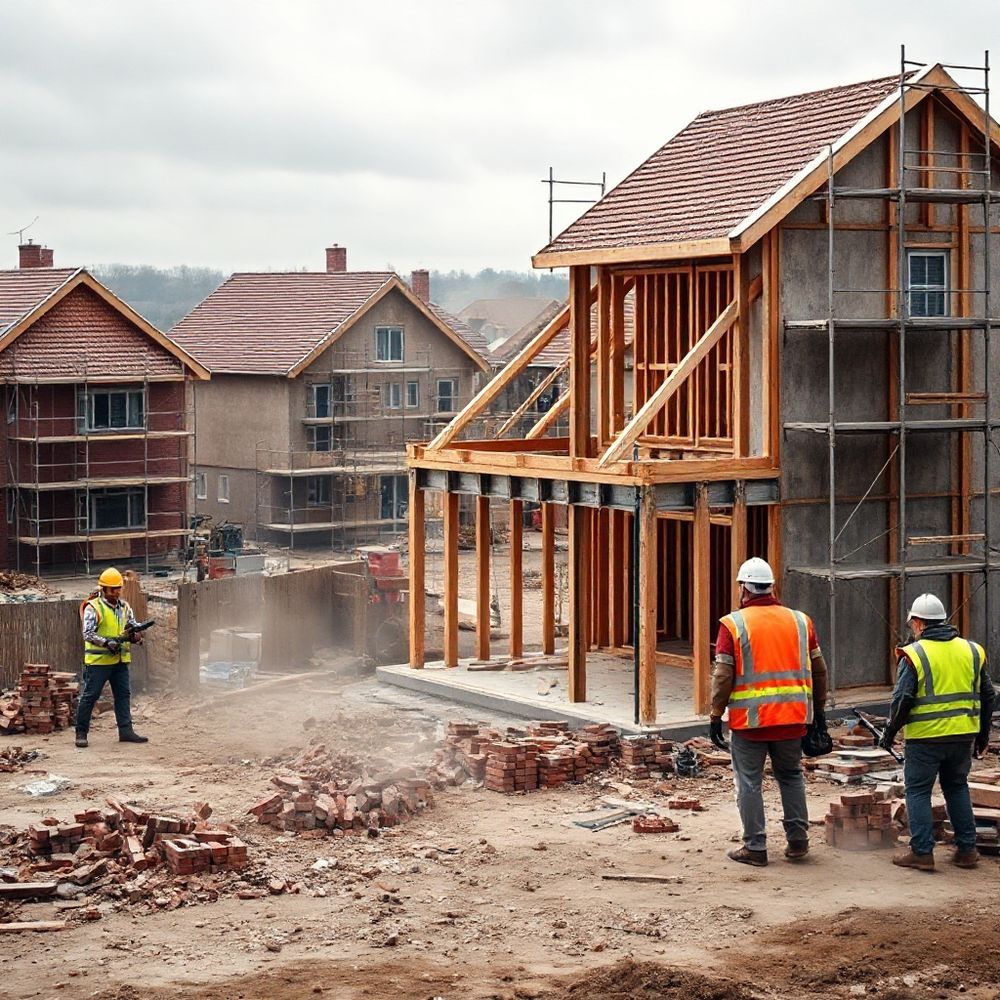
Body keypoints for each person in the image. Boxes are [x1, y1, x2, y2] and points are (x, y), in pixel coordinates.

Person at [709, 557, 828, 866]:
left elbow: (723, 675)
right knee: (791, 776)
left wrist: (714, 715)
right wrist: (820, 712)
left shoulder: (733, 624)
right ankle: (798, 842)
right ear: (771, 587)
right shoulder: (801, 621)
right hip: (792, 720)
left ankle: (756, 847)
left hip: (751, 723)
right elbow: (819, 670)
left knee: (748, 782)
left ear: (743, 590)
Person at [881, 593, 996, 871]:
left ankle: (922, 852)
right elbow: (988, 695)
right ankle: (967, 850)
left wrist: (890, 731)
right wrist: (982, 735)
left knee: (918, 791)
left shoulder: (915, 654)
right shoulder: (972, 651)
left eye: (913, 625)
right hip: (963, 736)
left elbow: (902, 699)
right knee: (956, 787)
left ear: (919, 623)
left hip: (925, 737)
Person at [74, 568, 148, 748]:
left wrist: (136, 635)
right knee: (90, 696)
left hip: (120, 661)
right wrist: (107, 643)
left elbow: (132, 625)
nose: (117, 592)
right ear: (104, 589)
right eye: (113, 589)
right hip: (99, 662)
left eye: (118, 588)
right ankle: (81, 733)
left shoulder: (125, 607)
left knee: (123, 695)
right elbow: (88, 634)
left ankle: (126, 731)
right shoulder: (94, 608)